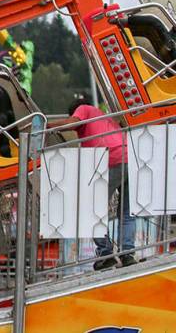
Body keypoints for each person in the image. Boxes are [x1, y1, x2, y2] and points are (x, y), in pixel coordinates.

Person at [56, 96, 135, 269]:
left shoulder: (84, 108)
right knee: (127, 213)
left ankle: (105, 253)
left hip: (113, 158)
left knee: (90, 209)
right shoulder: (103, 118)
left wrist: (45, 127)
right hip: (131, 157)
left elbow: (72, 122)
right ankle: (127, 254)